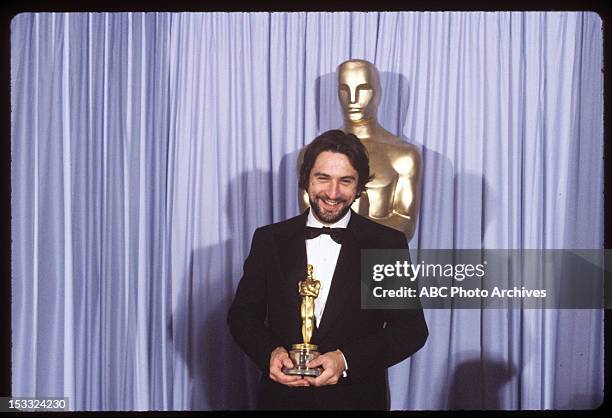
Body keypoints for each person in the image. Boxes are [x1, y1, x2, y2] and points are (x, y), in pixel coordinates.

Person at [228, 130, 428, 410]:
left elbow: (410, 330)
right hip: (281, 402)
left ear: (359, 187)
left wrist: (345, 360)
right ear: (306, 181)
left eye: (345, 181)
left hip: (356, 401)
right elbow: (242, 316)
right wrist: (269, 353)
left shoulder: (385, 243)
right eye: (323, 178)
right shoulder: (269, 239)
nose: (333, 193)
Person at [299, 59, 422, 241]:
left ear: (378, 93)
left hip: (380, 260)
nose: (353, 99)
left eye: (363, 88)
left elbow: (406, 222)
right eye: (344, 89)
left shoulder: (404, 155)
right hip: (325, 258)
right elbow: (309, 218)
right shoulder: (312, 153)